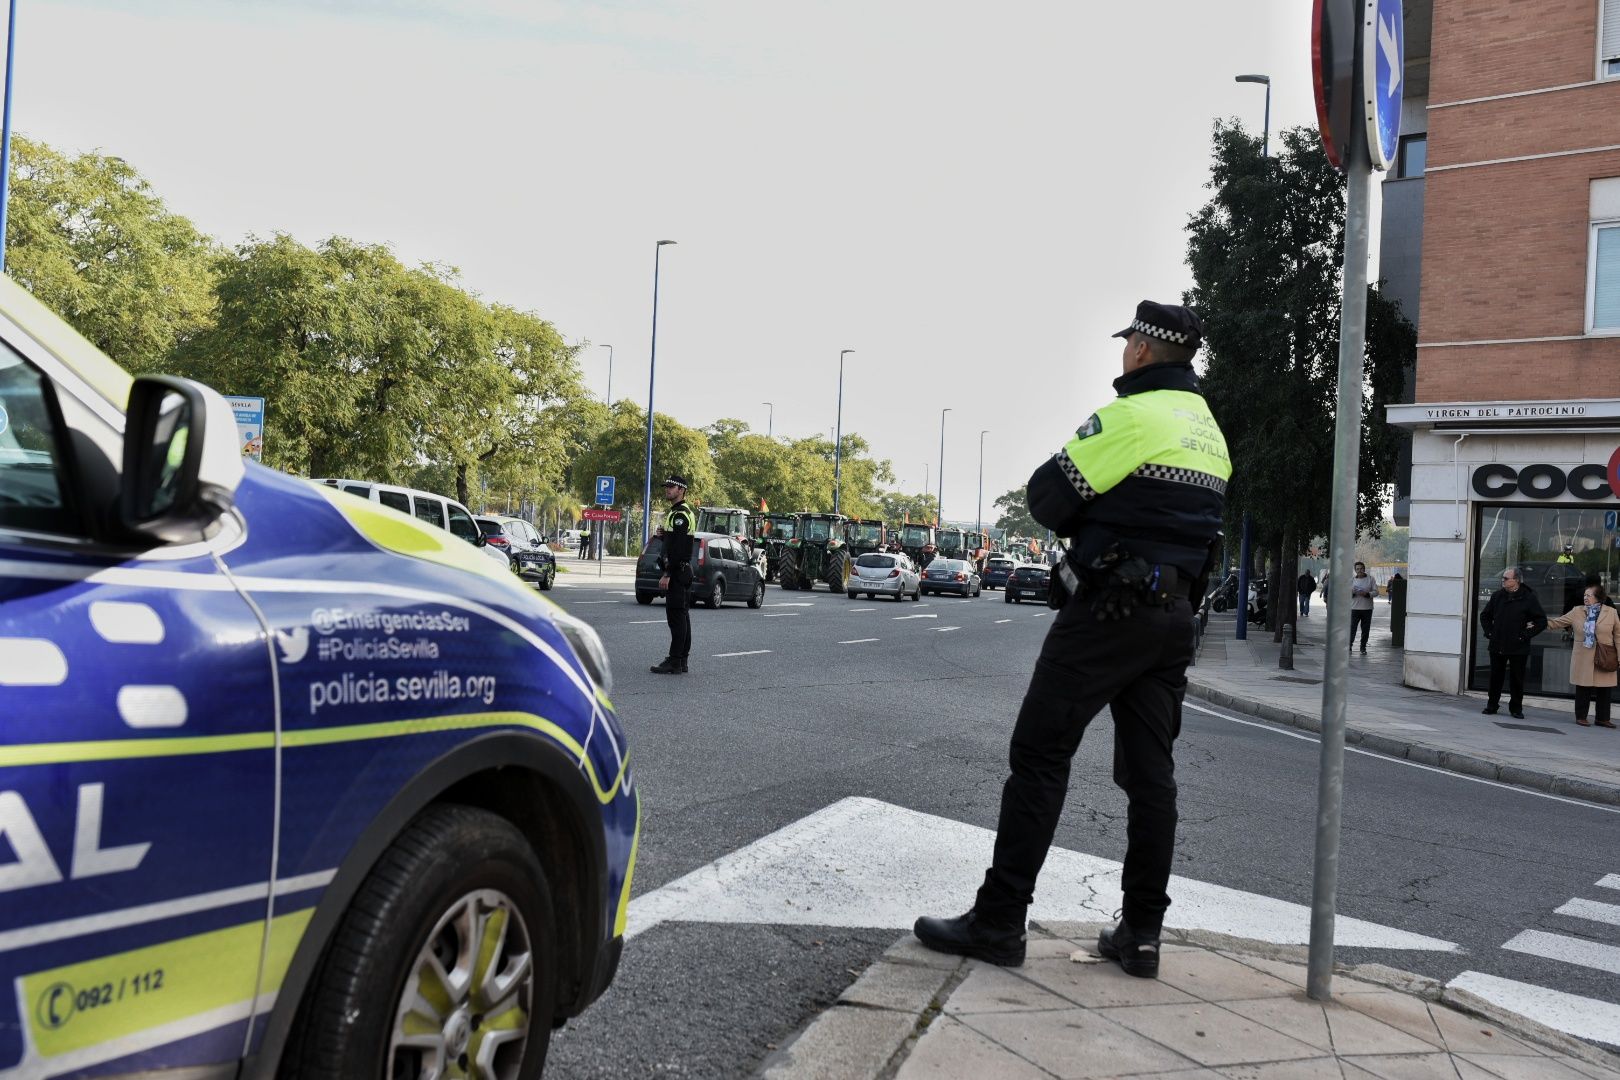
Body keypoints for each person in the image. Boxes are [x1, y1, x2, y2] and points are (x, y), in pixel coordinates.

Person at [913, 300, 1229, 978]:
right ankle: (1142, 934)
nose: (1124, 353)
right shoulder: (1208, 430)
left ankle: (999, 921)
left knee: (1039, 754)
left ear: (1143, 349)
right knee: (1152, 778)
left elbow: (1048, 498)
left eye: (1129, 343)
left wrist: (1095, 521)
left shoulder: (1131, 415)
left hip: (1107, 613)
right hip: (1175, 620)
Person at [1542, 584, 1619, 728]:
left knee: (1605, 688)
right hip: (1584, 655)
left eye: (1589, 595)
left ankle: (1602, 718)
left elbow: (1618, 636)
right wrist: (1539, 622)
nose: (1585, 598)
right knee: (1583, 687)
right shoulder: (1577, 611)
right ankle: (1581, 716)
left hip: (1605, 654)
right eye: (1584, 595)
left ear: (1598, 597)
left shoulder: (1611, 612)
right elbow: (1558, 622)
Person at [1478, 567, 1548, 719]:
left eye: (1505, 578)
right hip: (1498, 644)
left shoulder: (1528, 598)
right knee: (1495, 677)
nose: (1502, 581)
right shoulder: (1497, 596)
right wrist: (1490, 632)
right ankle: (1492, 705)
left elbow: (1541, 621)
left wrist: (1525, 635)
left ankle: (1516, 708)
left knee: (1517, 679)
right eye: (1502, 578)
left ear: (1516, 580)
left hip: (1518, 646)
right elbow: (1485, 616)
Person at [651, 474, 695, 675]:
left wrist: (667, 573)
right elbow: (675, 541)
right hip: (682, 570)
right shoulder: (679, 512)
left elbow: (678, 549)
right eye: (666, 486)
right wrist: (663, 536)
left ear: (681, 490)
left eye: (672, 487)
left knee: (676, 618)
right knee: (682, 617)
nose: (667, 489)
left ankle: (675, 661)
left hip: (677, 572)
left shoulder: (680, 514)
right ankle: (682, 660)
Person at [1348, 562, 1377, 652]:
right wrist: (1352, 593)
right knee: (1352, 628)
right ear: (1355, 570)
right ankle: (1349, 645)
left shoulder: (1371, 579)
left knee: (1365, 630)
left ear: (1364, 569)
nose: (1359, 570)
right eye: (1357, 569)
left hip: (1367, 609)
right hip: (1354, 608)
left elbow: (1376, 592)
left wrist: (1367, 594)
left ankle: (1363, 647)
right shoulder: (1352, 580)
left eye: (1361, 568)